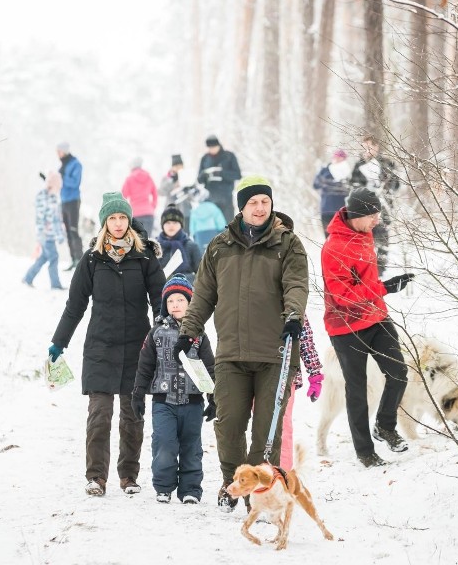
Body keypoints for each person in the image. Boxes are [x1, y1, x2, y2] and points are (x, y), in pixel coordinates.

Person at [175, 175, 309, 513]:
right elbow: (203, 294)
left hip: (275, 354)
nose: (260, 207)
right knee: (228, 424)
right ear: (242, 207)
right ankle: (231, 483)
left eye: (265, 201)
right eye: (253, 202)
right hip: (231, 354)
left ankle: (260, 495)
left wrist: (293, 315)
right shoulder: (220, 246)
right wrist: (189, 330)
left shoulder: (288, 244)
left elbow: (296, 285)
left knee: (267, 433)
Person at [49, 192, 166, 496]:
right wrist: (58, 343)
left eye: (122, 218)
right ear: (104, 222)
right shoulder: (91, 260)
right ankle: (96, 477)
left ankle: (129, 477)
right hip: (100, 346)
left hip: (136, 348)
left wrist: (161, 334)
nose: (117, 223)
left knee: (132, 415)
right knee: (99, 414)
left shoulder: (144, 258)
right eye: (112, 218)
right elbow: (75, 306)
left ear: (129, 221)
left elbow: (161, 302)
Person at [320, 187, 415, 468]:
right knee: (357, 388)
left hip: (376, 317)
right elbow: (342, 295)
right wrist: (384, 288)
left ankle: (385, 425)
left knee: (398, 372)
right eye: (373, 215)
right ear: (358, 214)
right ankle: (365, 451)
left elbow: (365, 279)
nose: (377, 220)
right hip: (346, 326)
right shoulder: (333, 248)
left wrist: (381, 290)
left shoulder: (365, 234)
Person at [131, 274, 216, 504]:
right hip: (163, 401)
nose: (175, 305)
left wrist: (213, 397)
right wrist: (138, 393)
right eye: (170, 301)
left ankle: (190, 489)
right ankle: (164, 486)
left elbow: (210, 367)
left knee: (191, 446)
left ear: (190, 303)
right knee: (164, 444)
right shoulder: (156, 333)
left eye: (180, 300)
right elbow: (145, 365)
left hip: (193, 402)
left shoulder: (199, 335)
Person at [349, 136, 400, 277]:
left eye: (369, 147)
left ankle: (380, 272)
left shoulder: (387, 164)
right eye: (364, 147)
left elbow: (395, 186)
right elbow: (352, 187)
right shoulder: (358, 166)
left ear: (377, 147)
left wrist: (383, 183)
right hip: (363, 213)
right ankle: (365, 272)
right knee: (363, 243)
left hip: (383, 212)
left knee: (382, 243)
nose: (367, 150)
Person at [279, 317, 324, 470]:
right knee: (259, 428)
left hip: (285, 372)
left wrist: (315, 374)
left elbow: (306, 340)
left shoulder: (293, 302)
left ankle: (282, 475)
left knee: (282, 424)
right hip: (251, 371)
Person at [22, 171, 65, 290]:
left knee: (43, 258)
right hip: (46, 235)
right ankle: (55, 284)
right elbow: (40, 218)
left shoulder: (53, 198)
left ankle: (27, 278)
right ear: (53, 186)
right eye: (58, 188)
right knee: (54, 257)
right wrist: (41, 234)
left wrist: (60, 235)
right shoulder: (44, 197)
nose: (58, 190)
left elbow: (56, 220)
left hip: (50, 235)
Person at [197, 134, 241, 221]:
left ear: (218, 145)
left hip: (226, 199)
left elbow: (237, 175)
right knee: (212, 231)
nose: (212, 149)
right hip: (210, 199)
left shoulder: (229, 156)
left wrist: (221, 173)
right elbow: (199, 179)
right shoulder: (205, 158)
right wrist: (204, 175)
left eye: (214, 147)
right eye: (210, 148)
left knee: (228, 228)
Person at [157, 204, 202, 282]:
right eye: (167, 223)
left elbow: (202, 275)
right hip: (161, 291)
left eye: (175, 222)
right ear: (162, 225)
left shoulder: (191, 246)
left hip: (188, 290)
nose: (171, 226)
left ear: (181, 225)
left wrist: (183, 280)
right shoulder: (154, 248)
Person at [56, 141, 84, 271]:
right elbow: (59, 183)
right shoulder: (63, 165)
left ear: (65, 151)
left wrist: (62, 177)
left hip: (73, 201)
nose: (57, 154)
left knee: (73, 230)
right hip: (64, 201)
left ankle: (80, 260)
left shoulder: (75, 164)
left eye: (59, 151)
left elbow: (75, 182)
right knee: (67, 231)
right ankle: (73, 259)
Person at [313, 148, 351, 237]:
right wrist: (330, 184)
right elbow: (315, 184)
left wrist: (328, 184)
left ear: (344, 159)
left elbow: (348, 188)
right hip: (326, 209)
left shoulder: (347, 172)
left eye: (340, 157)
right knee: (328, 237)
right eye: (335, 157)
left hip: (341, 210)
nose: (336, 159)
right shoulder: (325, 170)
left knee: (341, 237)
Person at [122, 157, 158, 235]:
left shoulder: (129, 179)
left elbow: (123, 197)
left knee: (136, 243)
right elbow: (155, 193)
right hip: (148, 213)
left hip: (135, 214)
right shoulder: (148, 177)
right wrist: (152, 206)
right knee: (147, 242)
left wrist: (127, 211)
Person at [188, 187, 227, 253]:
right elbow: (221, 224)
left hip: (199, 235)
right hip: (212, 232)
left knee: (202, 255)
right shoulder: (213, 207)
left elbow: (192, 228)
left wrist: (193, 235)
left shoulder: (195, 210)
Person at [159, 154, 193, 220]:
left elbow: (193, 194)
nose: (178, 168)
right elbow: (161, 192)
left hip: (186, 212)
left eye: (180, 166)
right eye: (176, 166)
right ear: (172, 167)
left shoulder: (188, 177)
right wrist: (173, 183)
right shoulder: (167, 178)